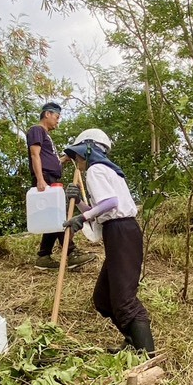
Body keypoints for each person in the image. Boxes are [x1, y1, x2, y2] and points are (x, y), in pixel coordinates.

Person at [63, 128, 154, 356]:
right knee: (103, 298)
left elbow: (111, 203)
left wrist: (82, 217)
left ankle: (147, 356)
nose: (76, 162)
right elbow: (103, 211)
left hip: (122, 232)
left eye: (77, 156)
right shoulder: (107, 171)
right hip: (119, 231)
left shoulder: (95, 170)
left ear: (88, 150)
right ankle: (132, 341)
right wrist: (79, 202)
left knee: (124, 301)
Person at [27, 101, 86, 271]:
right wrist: (40, 179)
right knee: (57, 215)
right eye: (57, 117)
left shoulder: (46, 136)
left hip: (51, 177)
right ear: (47, 114)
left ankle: (43, 256)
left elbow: (49, 159)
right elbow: (35, 155)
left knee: (52, 217)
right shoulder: (36, 130)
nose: (58, 121)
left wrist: (64, 159)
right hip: (45, 178)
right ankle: (72, 253)